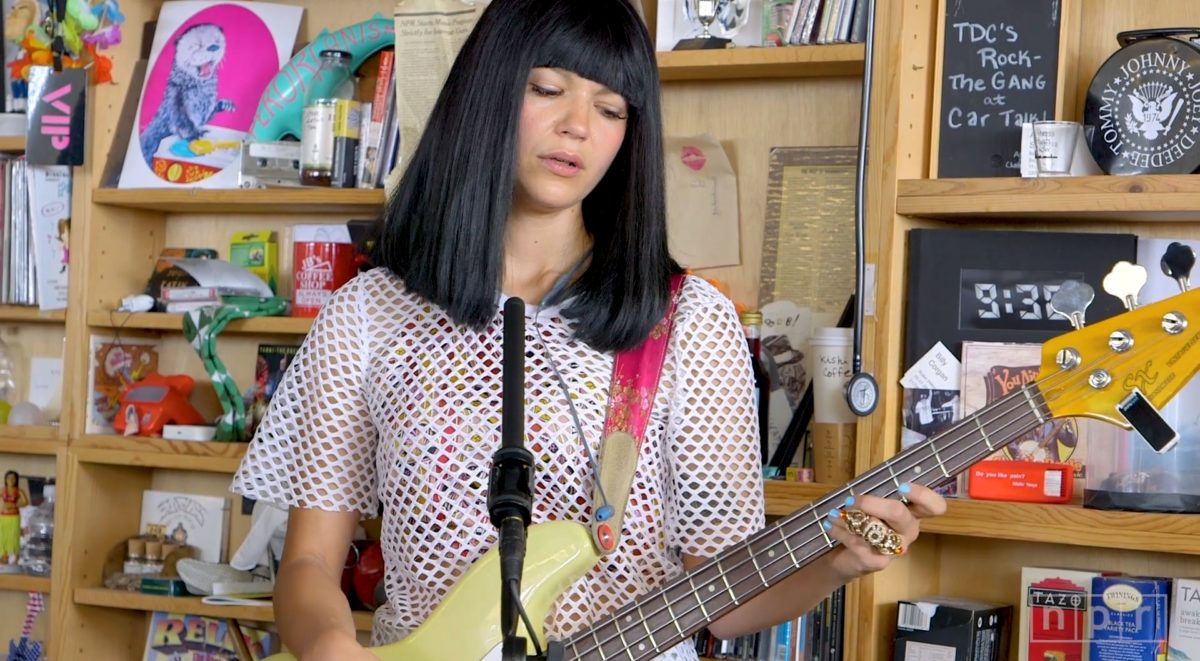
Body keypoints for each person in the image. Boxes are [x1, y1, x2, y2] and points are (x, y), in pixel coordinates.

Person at [230, 0, 946, 658]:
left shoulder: (687, 321)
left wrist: (835, 561)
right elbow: (310, 564)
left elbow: (721, 599)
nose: (578, 125)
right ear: (487, 92)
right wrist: (331, 648)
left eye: (611, 108)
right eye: (548, 88)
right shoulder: (369, 313)